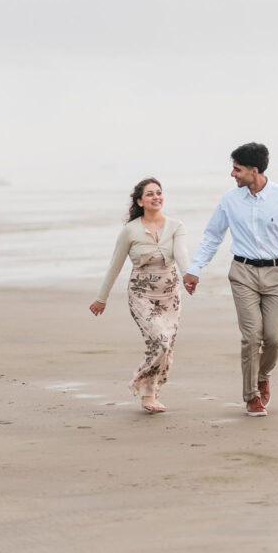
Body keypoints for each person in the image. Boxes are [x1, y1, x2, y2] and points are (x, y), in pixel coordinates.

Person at [183, 142, 278, 417]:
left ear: (254, 170)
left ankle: (262, 376)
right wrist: (195, 268)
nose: (233, 175)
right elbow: (213, 235)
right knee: (252, 337)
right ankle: (251, 395)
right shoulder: (229, 200)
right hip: (242, 273)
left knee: (274, 340)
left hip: (276, 274)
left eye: (237, 169)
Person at [90, 177, 190, 413]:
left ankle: (151, 394)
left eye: (159, 193)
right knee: (160, 342)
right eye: (150, 194)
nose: (156, 197)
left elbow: (182, 255)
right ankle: (143, 386)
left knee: (166, 346)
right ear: (140, 201)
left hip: (170, 295)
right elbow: (115, 265)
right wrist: (101, 298)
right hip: (141, 294)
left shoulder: (176, 226)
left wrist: (189, 276)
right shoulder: (130, 230)